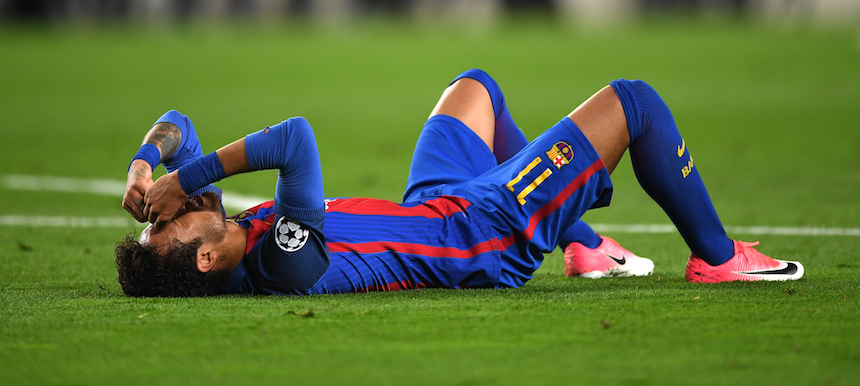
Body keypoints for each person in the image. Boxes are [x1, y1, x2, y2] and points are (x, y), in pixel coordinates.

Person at [116, 69, 803, 296]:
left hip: (435, 208)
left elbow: (179, 124)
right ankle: (718, 259)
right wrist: (192, 174)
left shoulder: (225, 234)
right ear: (204, 258)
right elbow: (296, 139)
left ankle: (586, 243)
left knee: (476, 89)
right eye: (171, 223)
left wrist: (147, 164)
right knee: (634, 104)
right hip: (481, 235)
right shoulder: (281, 265)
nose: (175, 208)